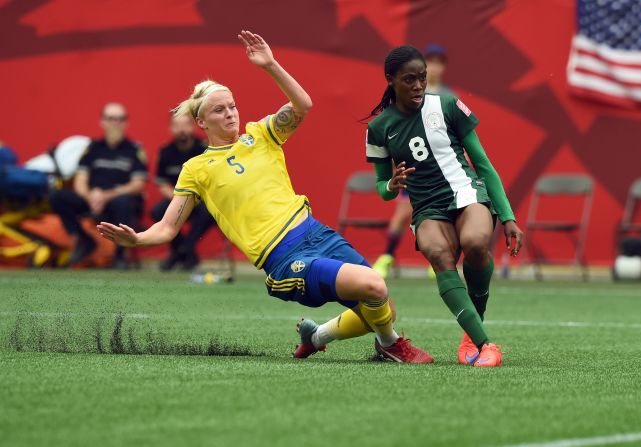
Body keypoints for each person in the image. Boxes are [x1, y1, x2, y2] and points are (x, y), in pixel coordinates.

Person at [97, 31, 432, 363]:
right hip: (284, 259)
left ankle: (316, 337)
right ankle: (391, 345)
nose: (229, 113)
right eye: (218, 111)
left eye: (232, 106)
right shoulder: (197, 169)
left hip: (316, 232)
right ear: (200, 121)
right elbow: (168, 227)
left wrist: (270, 64)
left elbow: (303, 105)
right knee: (374, 286)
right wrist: (138, 239)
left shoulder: (261, 134)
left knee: (383, 307)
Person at [365, 46, 524, 367]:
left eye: (422, 78)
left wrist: (507, 216)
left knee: (476, 243)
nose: (418, 86)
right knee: (439, 255)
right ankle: (485, 344)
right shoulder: (379, 128)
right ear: (390, 80)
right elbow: (382, 188)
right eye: (409, 79)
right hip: (426, 208)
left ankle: (472, 329)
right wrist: (391, 184)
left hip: (466, 193)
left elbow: (483, 164)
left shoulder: (448, 105)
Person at [371, 43, 454, 278]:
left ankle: (439, 257)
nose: (435, 68)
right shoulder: (409, 93)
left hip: (442, 167)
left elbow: (456, 135)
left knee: (445, 213)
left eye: (440, 63)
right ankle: (386, 257)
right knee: (403, 211)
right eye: (431, 62)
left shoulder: (447, 97)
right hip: (415, 165)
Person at [50, 102, 147, 268]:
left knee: (124, 201)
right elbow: (81, 180)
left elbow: (138, 184)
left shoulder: (134, 150)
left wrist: (106, 196)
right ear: (102, 122)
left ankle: (120, 255)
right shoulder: (92, 148)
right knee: (58, 196)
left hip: (119, 201)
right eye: (111, 118)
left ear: (126, 123)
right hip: (92, 200)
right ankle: (83, 240)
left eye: (120, 119)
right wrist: (90, 197)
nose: (115, 123)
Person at [152, 114, 213, 271]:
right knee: (157, 211)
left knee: (209, 213)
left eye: (185, 125)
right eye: (177, 125)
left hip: (201, 200)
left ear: (192, 126)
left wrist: (192, 198)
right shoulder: (165, 151)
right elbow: (162, 183)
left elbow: (211, 181)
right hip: (176, 199)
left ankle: (182, 250)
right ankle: (185, 252)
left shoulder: (205, 149)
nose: (182, 130)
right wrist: (179, 199)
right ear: (171, 128)